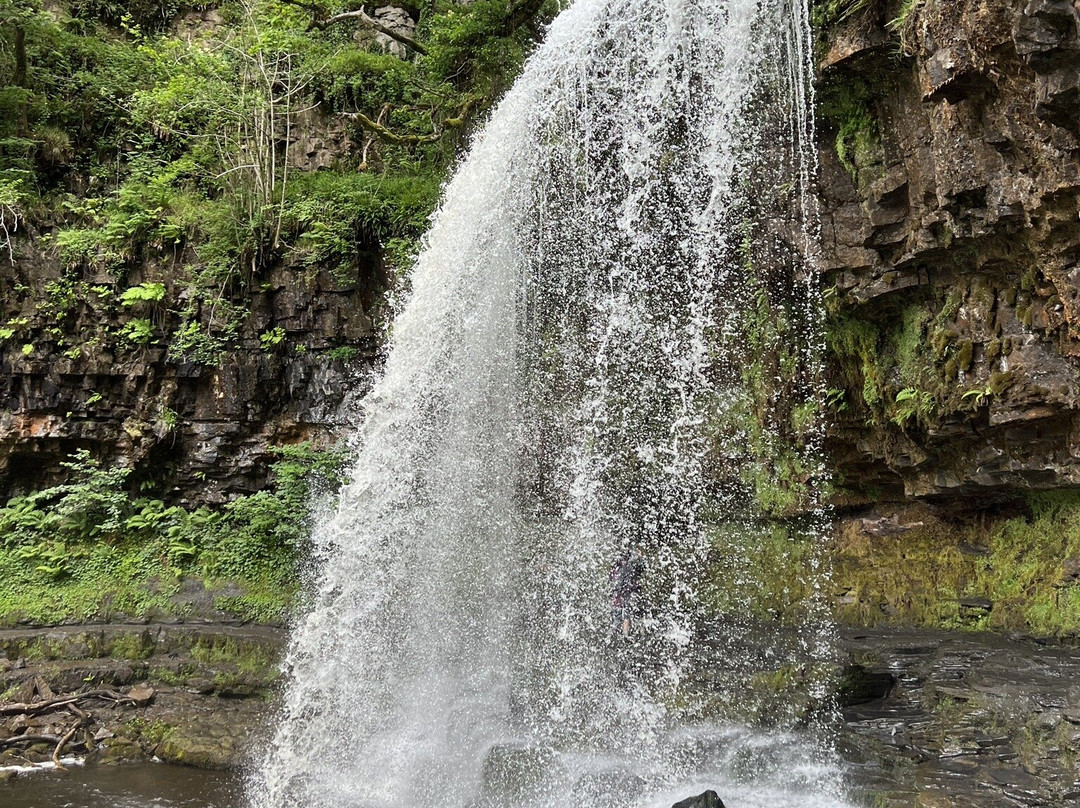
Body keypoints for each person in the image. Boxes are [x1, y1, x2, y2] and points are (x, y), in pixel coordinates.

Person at [610, 545, 645, 636]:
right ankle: (636, 635)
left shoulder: (615, 568)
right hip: (629, 594)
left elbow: (611, 581)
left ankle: (620, 637)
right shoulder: (630, 566)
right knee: (632, 615)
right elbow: (641, 568)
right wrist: (640, 558)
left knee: (621, 618)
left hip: (620, 595)